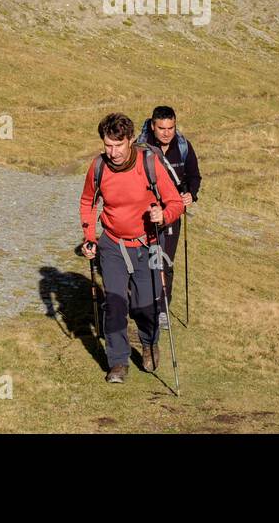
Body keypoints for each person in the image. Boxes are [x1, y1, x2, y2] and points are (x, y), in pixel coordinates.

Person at [80, 112, 185, 383]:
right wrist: (89, 237)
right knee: (114, 305)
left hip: (147, 245)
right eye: (107, 145)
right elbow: (88, 202)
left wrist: (163, 215)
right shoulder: (98, 167)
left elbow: (175, 202)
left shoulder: (149, 163)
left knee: (145, 306)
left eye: (118, 145)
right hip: (112, 244)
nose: (112, 152)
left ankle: (150, 343)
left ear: (130, 141)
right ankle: (117, 362)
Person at [138, 106, 201, 325]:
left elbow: (194, 176)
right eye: (162, 128)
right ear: (152, 126)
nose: (166, 133)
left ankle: (163, 307)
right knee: (145, 260)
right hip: (145, 213)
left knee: (165, 260)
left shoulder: (183, 146)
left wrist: (191, 195)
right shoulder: (141, 148)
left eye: (171, 128)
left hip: (172, 212)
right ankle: (143, 304)